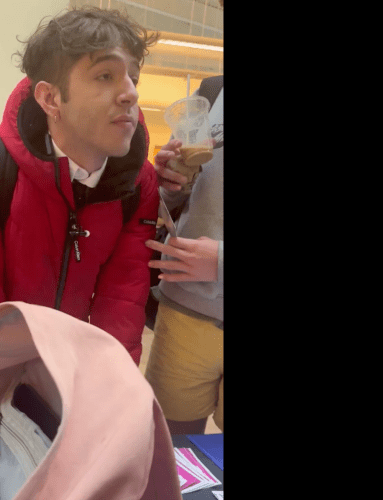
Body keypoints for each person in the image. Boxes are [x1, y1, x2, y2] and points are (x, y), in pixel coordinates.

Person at [0, 7, 160, 365]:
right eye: (105, 75)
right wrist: (6, 386)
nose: (130, 94)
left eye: (133, 77)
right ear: (50, 99)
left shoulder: (139, 183)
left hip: (76, 369)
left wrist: (107, 385)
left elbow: (121, 305)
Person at [144, 74, 224, 434]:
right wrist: (169, 182)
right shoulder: (212, 91)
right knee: (170, 450)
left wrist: (220, 262)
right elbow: (176, 198)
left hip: (191, 295)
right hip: (184, 311)